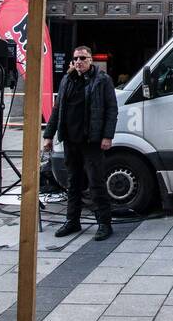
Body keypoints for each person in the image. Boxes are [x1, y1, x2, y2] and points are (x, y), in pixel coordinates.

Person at [43, 44, 118, 240]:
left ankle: (104, 223)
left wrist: (107, 136)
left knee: (96, 182)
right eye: (76, 58)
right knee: (73, 182)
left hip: (91, 140)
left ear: (91, 60)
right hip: (70, 139)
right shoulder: (67, 80)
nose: (79, 62)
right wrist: (48, 135)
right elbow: (57, 109)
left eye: (83, 58)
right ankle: (72, 221)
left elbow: (111, 110)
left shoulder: (102, 80)